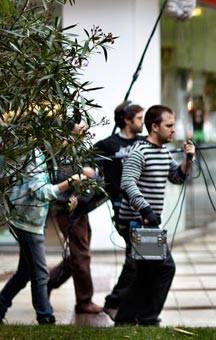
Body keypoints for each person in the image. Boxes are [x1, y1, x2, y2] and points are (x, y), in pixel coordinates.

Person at [114, 104, 194, 325]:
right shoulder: (139, 152)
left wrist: (188, 161)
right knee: (165, 268)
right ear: (154, 126)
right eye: (169, 125)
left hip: (147, 222)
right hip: (137, 222)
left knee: (145, 273)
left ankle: (127, 317)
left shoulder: (163, 152)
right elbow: (127, 183)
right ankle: (146, 317)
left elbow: (176, 177)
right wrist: (146, 209)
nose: (173, 130)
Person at [0, 149, 85, 324]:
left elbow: (46, 184)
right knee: (40, 273)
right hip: (27, 222)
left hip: (29, 219)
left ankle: (1, 306)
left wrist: (70, 195)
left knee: (24, 273)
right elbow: (41, 192)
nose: (66, 142)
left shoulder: (41, 152)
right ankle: (45, 316)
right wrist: (71, 182)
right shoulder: (32, 154)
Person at [46, 121, 104, 314]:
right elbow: (66, 180)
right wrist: (85, 175)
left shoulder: (75, 149)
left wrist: (91, 175)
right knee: (80, 256)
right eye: (80, 124)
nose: (85, 127)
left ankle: (47, 283)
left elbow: (91, 176)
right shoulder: (60, 151)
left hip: (79, 211)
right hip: (68, 211)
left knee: (77, 255)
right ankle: (84, 301)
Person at [95, 101, 144, 318]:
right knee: (136, 257)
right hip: (122, 209)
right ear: (127, 120)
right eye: (140, 119)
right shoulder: (107, 145)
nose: (143, 123)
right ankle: (115, 302)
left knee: (141, 258)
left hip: (143, 208)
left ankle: (129, 305)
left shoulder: (145, 143)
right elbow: (86, 163)